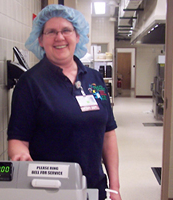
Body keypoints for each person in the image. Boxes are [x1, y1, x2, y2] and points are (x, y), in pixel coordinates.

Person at [7, 4, 122, 200]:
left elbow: (108, 134)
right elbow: (18, 139)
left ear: (78, 37)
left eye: (66, 30)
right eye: (51, 32)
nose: (59, 37)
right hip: (49, 190)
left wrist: (115, 187)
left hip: (94, 187)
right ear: (41, 40)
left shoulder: (94, 78)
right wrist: (21, 157)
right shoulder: (31, 83)